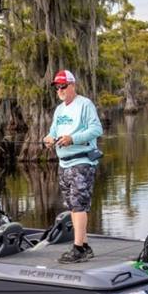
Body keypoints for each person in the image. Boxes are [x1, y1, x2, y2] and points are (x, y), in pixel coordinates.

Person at [42, 69, 103, 263]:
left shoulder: (85, 104)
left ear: (72, 85)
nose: (59, 89)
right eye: (56, 86)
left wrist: (73, 138)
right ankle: (84, 245)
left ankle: (78, 249)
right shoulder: (59, 110)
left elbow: (96, 129)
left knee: (78, 206)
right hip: (64, 164)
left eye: (63, 86)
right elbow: (52, 132)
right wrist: (49, 139)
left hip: (82, 162)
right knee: (73, 206)